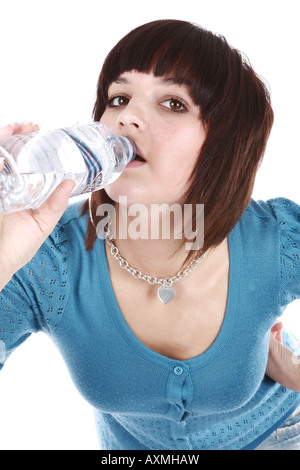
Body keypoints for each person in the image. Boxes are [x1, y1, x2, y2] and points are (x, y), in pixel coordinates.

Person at [0, 19, 299, 451]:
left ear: (223, 144)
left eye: (174, 103)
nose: (127, 117)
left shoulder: (276, 241)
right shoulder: (50, 259)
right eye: (118, 98)